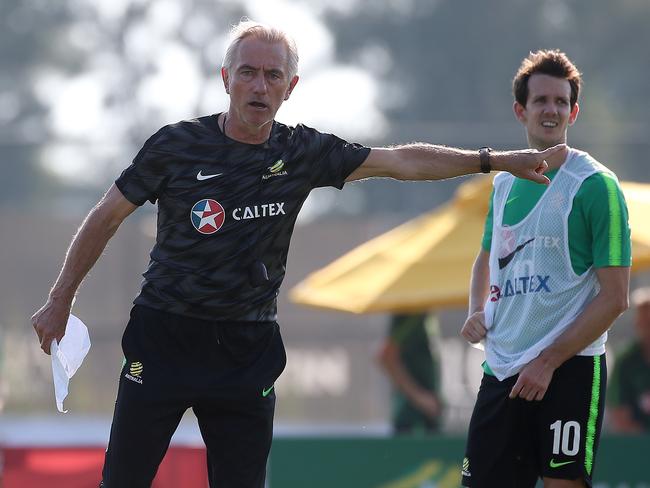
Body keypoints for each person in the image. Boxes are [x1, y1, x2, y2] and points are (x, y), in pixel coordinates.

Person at [31, 20, 561, 488]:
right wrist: (60, 299)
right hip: (165, 335)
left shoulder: (301, 152)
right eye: (247, 72)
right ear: (225, 79)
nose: (259, 85)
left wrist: (493, 159)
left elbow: (401, 161)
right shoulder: (174, 146)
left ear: (290, 87)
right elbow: (105, 217)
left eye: (272, 75)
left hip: (246, 348)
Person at [460, 50, 631, 488]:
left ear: (574, 111)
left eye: (560, 101)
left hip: (569, 367)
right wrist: (476, 309)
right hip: (501, 369)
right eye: (541, 101)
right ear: (522, 110)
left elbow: (615, 298)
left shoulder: (595, 186)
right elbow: (486, 255)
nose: (551, 109)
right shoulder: (500, 184)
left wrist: (548, 361)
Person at [376, 313, 442, 434]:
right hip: (410, 419)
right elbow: (386, 356)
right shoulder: (410, 316)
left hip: (430, 419)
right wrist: (420, 398)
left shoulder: (427, 316)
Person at [607, 287, 650, 433]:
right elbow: (618, 412)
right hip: (635, 446)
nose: (645, 324)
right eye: (642, 319)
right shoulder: (625, 360)